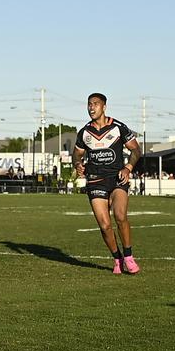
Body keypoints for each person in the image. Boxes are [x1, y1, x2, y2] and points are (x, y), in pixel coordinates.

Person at [73, 93, 141, 274]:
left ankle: (128, 256)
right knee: (104, 224)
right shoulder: (84, 132)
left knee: (120, 216)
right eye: (89, 104)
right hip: (95, 180)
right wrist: (78, 164)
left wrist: (128, 168)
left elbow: (136, 150)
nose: (91, 107)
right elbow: (77, 154)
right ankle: (117, 258)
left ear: (104, 107)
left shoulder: (118, 127)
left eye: (95, 104)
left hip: (117, 178)